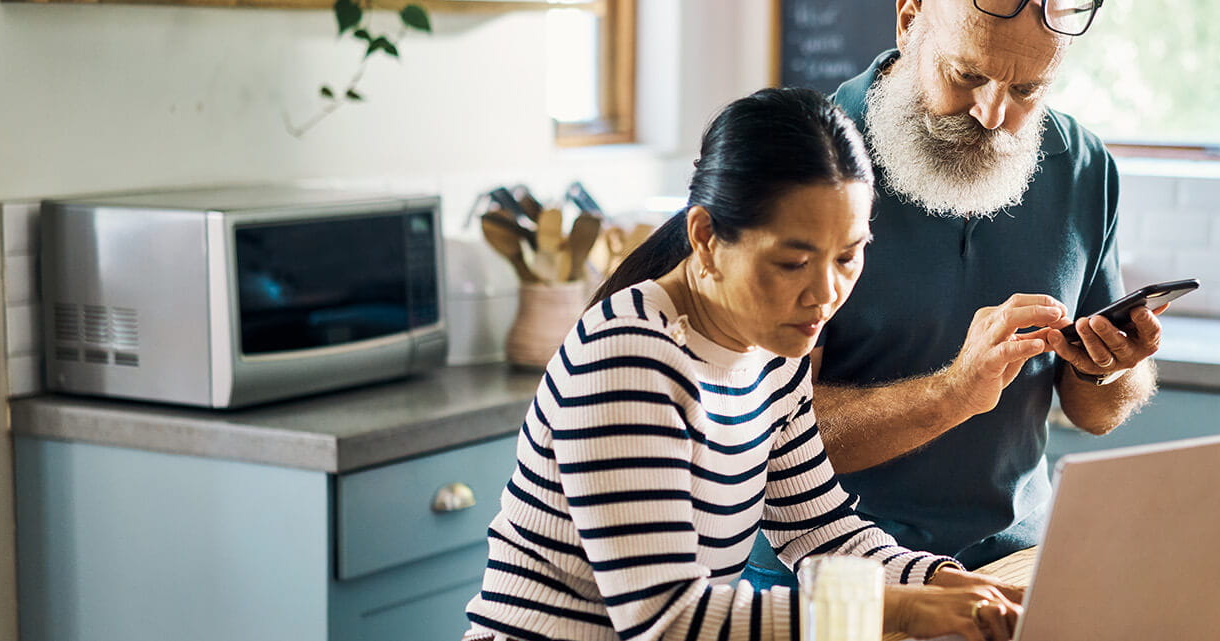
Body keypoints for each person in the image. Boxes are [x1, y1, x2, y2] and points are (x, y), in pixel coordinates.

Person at [463, 87, 1023, 641]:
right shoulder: (629, 360)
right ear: (705, 237)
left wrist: (949, 583)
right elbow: (668, 620)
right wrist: (894, 610)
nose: (824, 294)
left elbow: (819, 530)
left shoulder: (773, 349)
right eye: (792, 262)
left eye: (849, 256)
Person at [742, 0, 1166, 587]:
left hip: (1015, 567)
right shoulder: (804, 160)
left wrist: (1110, 370)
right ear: (909, 19)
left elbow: (1093, 415)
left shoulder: (1083, 166)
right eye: (966, 75)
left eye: (1027, 89)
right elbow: (755, 441)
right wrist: (954, 393)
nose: (993, 114)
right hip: (832, 578)